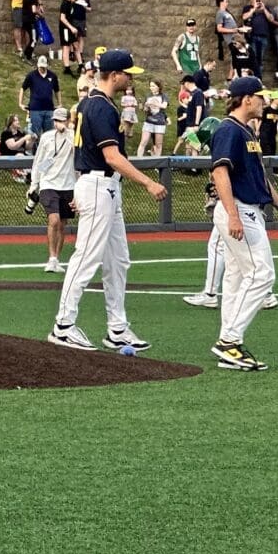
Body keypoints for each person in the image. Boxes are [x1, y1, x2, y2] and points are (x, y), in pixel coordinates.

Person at [49, 50, 168, 353]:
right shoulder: (100, 107)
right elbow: (111, 156)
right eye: (128, 74)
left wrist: (78, 188)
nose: (131, 79)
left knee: (118, 259)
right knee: (87, 256)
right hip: (99, 184)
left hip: (100, 185)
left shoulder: (90, 103)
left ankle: (117, 328)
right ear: (114, 75)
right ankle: (63, 325)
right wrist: (148, 182)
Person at [208, 75, 278, 371]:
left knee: (236, 277)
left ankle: (229, 344)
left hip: (249, 208)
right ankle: (230, 341)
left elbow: (259, 177)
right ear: (246, 98)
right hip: (238, 210)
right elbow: (220, 173)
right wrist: (233, 214)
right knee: (262, 274)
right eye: (260, 96)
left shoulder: (247, 132)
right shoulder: (229, 130)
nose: (264, 101)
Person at [27, 104, 76, 274]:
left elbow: (78, 153)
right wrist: (34, 183)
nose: (57, 124)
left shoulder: (74, 137)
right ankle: (51, 258)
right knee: (53, 220)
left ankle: (56, 259)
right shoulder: (47, 137)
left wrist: (70, 133)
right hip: (49, 183)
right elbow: (39, 160)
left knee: (62, 224)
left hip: (68, 184)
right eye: (55, 120)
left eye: (61, 120)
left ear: (68, 121)